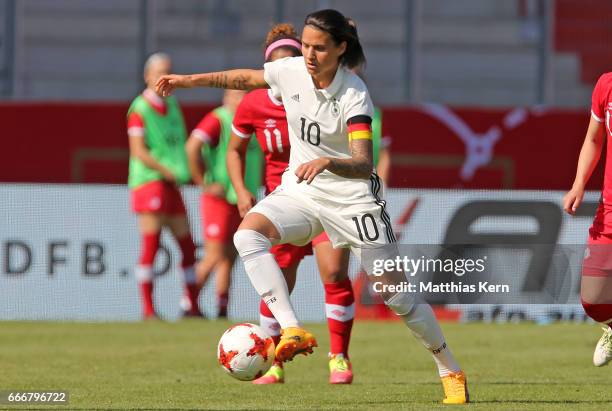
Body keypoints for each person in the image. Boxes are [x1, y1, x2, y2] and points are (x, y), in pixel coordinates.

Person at [156, 9, 469, 404]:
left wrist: (327, 161)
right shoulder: (290, 71)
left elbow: (363, 164)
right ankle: (292, 329)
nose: (309, 54)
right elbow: (243, 78)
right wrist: (187, 81)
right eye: (305, 45)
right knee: (247, 235)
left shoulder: (355, 94)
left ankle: (449, 367)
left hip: (355, 202)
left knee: (397, 297)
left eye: (319, 47)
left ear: (340, 49)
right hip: (303, 192)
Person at [227, 23, 356, 385]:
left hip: (327, 197)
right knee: (277, 280)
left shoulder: (321, 95)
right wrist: (240, 190)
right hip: (284, 204)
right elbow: (234, 150)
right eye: (278, 65)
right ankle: (275, 363)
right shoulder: (253, 103)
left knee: (333, 273)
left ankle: (339, 358)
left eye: (293, 61)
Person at [127, 52, 200, 319]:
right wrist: (166, 170)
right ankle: (148, 310)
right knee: (151, 244)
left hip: (172, 183)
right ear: (147, 76)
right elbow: (139, 151)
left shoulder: (172, 105)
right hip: (150, 183)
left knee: (188, 246)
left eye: (168, 71)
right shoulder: (140, 108)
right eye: (159, 72)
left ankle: (192, 307)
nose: (164, 77)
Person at [184, 90, 262, 318]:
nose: (240, 99)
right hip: (219, 198)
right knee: (214, 254)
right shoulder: (219, 119)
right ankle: (188, 304)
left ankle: (221, 308)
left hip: (242, 198)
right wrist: (204, 183)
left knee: (230, 255)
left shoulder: (252, 123)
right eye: (236, 95)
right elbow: (192, 147)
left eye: (244, 95)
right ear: (226, 98)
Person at [563, 72, 612, 367]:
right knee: (593, 301)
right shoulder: (606, 85)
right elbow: (594, 139)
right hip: (609, 211)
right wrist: (579, 182)